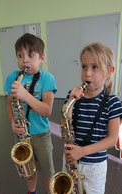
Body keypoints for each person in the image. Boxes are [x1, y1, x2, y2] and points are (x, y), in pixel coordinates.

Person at [63, 42, 122, 194]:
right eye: (84, 67)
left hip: (94, 167)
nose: (87, 73)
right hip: (71, 159)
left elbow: (112, 138)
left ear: (110, 71)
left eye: (94, 67)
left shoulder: (113, 102)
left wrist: (82, 151)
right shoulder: (73, 95)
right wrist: (71, 102)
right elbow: (66, 123)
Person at [4, 33, 57, 194]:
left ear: (42, 57)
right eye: (20, 55)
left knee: (48, 171)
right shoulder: (13, 77)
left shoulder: (47, 78)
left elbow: (47, 111)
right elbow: (9, 105)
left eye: (30, 55)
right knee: (28, 170)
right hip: (21, 135)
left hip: (41, 134)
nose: (24, 60)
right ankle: (31, 191)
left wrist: (25, 95)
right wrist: (12, 121)